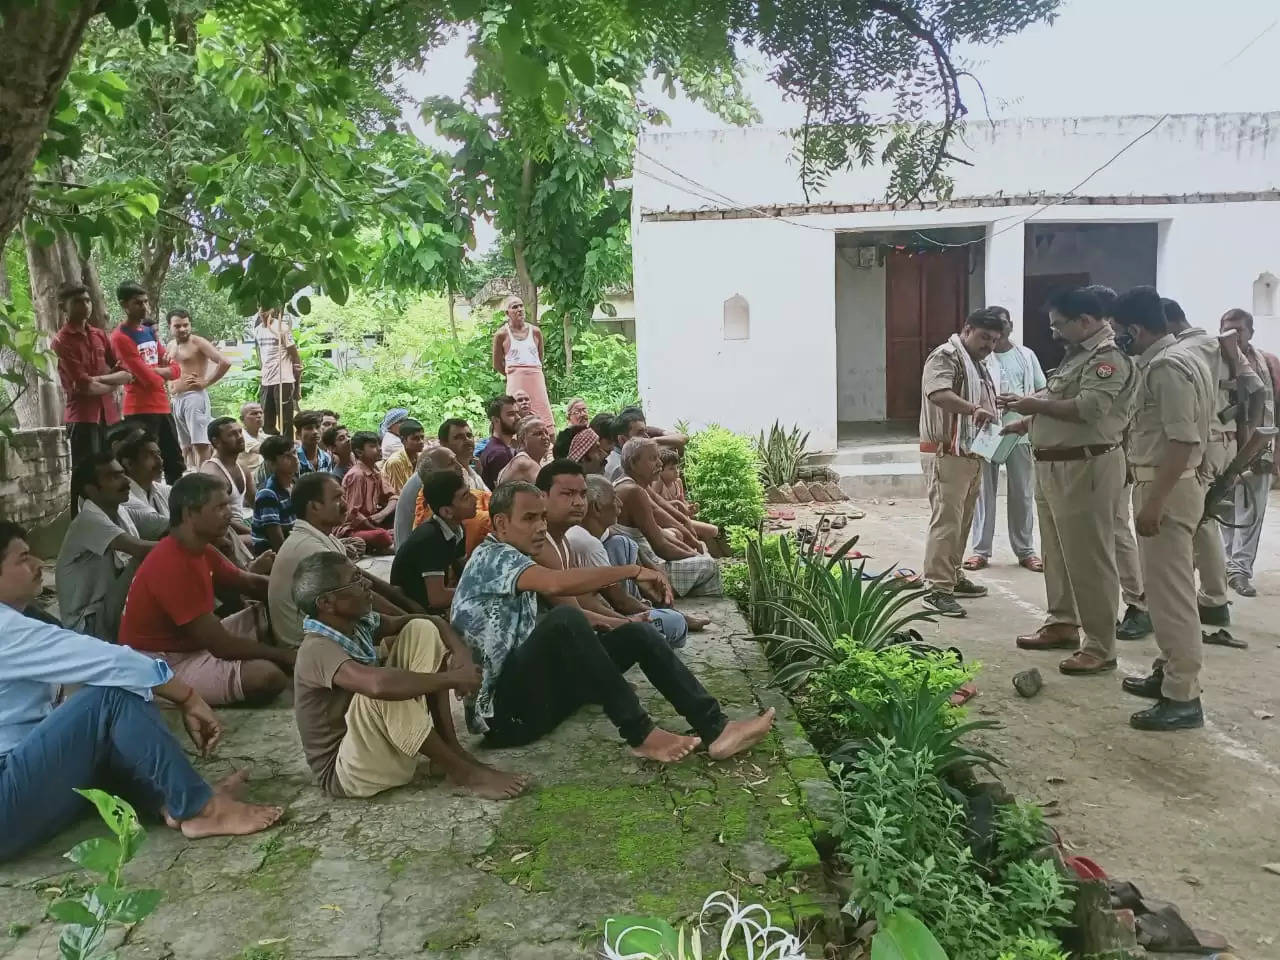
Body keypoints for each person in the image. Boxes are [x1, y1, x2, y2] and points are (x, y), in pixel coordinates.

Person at [0, 522, 283, 862]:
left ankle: (176, 801)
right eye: (23, 558)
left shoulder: (24, 618)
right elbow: (110, 661)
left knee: (99, 715)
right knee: (111, 697)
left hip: (18, 786)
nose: (37, 566)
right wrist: (186, 695)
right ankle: (201, 809)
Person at [451, 482, 775, 761]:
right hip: (506, 718)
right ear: (501, 523)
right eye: (529, 518)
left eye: (543, 518)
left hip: (537, 702)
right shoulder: (492, 558)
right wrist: (632, 570)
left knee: (637, 633)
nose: (540, 527)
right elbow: (556, 585)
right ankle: (641, 734)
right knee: (565, 619)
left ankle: (715, 728)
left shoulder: (517, 559)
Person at [292, 552, 529, 799]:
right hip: (350, 773)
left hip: (380, 747)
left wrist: (461, 656)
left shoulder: (358, 624)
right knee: (381, 688)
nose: (368, 584)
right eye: (356, 580)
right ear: (326, 602)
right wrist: (453, 679)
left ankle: (450, 749)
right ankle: (463, 774)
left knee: (420, 630)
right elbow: (377, 685)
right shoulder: (316, 648)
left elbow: (428, 620)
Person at [999, 289, 1138, 675]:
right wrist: (1027, 420)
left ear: (1087, 320)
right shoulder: (1077, 355)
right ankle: (1062, 622)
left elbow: (1091, 409)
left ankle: (1100, 645)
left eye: (1060, 323)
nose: (1055, 331)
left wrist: (1035, 407)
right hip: (1053, 466)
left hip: (1086, 467)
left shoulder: (1107, 359)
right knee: (1058, 554)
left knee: (1090, 558)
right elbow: (1061, 396)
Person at [1112, 287, 1213, 731]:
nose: (1119, 340)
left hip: (1166, 489)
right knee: (1166, 589)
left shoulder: (1167, 368)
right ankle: (1169, 672)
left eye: (1121, 333)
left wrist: (1152, 504)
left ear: (1135, 329)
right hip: (1170, 485)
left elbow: (1183, 441)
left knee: (1170, 598)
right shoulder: (1183, 357)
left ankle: (1182, 695)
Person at [118, 473, 296, 706]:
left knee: (265, 612)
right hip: (162, 664)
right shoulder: (172, 564)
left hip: (194, 644)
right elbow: (220, 645)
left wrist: (300, 594)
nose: (229, 513)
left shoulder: (200, 549)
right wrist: (284, 655)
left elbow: (250, 583)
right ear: (190, 513)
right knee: (267, 676)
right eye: (220, 507)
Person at [1163, 297, 1263, 633]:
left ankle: (1213, 599)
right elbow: (1255, 389)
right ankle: (1213, 598)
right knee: (1205, 519)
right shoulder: (1220, 344)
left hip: (1202, 443)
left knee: (1198, 521)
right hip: (1226, 439)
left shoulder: (1187, 350)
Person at [269, 473, 422, 648]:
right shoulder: (309, 548)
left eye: (343, 496)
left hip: (333, 633)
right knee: (417, 639)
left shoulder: (325, 538)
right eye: (336, 498)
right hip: (309, 647)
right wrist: (408, 616)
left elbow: (360, 577)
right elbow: (357, 593)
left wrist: (402, 599)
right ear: (314, 507)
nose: (344, 503)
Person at [917, 308, 1002, 617]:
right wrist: (973, 410)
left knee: (963, 521)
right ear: (967, 329)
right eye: (984, 337)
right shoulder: (946, 355)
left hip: (971, 453)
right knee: (947, 521)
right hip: (946, 453)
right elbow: (937, 393)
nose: (989, 345)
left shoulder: (979, 365)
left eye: (994, 340)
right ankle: (936, 588)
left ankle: (952, 575)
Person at [564, 468, 706, 647]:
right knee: (676, 623)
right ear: (597, 507)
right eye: (614, 498)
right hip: (600, 620)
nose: (619, 504)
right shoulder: (587, 543)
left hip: (606, 611)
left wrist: (651, 572)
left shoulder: (598, 532)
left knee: (622, 542)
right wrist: (633, 624)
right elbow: (619, 601)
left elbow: (637, 548)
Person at [1090, 284, 1153, 642]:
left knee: (1116, 529)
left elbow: (1126, 412)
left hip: (1119, 452)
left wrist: (1126, 455)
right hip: (1115, 452)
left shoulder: (1115, 352)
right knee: (1110, 529)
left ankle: (1138, 602)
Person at [965, 308, 1046, 572]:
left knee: (1022, 493)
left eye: (1003, 326)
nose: (997, 335)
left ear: (1009, 326)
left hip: (1020, 433)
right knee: (983, 493)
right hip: (987, 432)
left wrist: (1023, 402)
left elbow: (1044, 388)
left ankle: (1025, 550)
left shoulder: (1026, 355)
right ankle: (980, 550)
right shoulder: (979, 356)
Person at [56, 453, 156, 641]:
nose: (126, 481)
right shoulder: (88, 520)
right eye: (114, 477)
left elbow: (163, 524)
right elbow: (141, 549)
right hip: (89, 626)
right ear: (92, 490)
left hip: (110, 611)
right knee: (144, 557)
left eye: (123, 474)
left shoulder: (122, 511)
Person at [1218, 308, 1279, 597]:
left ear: (1251, 332)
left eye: (1238, 329)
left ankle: (1240, 570)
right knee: (1222, 508)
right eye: (1227, 328)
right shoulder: (1213, 361)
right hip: (1223, 448)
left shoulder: (1268, 362)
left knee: (1252, 512)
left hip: (1259, 448)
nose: (1232, 334)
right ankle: (1227, 565)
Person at [614, 438, 722, 597]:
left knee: (680, 539)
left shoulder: (635, 485)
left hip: (644, 563)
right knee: (709, 566)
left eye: (658, 457)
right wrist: (696, 555)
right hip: (646, 571)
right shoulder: (633, 491)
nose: (659, 463)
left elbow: (661, 512)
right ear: (633, 463)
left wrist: (689, 537)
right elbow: (661, 547)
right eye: (652, 458)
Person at [50, 281, 130, 472]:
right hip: (83, 418)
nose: (85, 305)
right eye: (78, 301)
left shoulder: (99, 335)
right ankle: (79, 504)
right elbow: (85, 387)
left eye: (87, 300)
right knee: (86, 475)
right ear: (63, 307)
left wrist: (100, 380)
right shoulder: (62, 341)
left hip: (109, 415)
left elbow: (126, 373)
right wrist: (112, 383)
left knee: (112, 471)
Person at [110, 281, 184, 483]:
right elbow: (146, 378)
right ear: (125, 305)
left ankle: (176, 507)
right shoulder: (120, 337)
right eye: (137, 303)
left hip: (162, 405)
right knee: (146, 464)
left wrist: (157, 371)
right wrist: (162, 372)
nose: (144, 307)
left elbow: (176, 370)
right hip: (140, 409)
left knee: (174, 461)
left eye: (145, 302)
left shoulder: (148, 332)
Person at [392, 470, 475, 614]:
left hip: (430, 599)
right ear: (447, 512)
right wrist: (477, 591)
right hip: (410, 607)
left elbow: (462, 566)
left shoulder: (457, 527)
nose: (474, 499)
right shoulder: (431, 539)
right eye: (465, 497)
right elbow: (437, 598)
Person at [165, 309, 230, 469]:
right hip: (176, 399)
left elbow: (224, 362)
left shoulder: (197, 342)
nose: (182, 329)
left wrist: (206, 381)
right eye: (178, 326)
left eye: (186, 325)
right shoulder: (170, 345)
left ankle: (204, 479)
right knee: (185, 446)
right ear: (170, 327)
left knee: (200, 444)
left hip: (194, 398)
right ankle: (191, 477)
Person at [409, 446, 494, 558]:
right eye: (451, 464)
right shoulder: (436, 512)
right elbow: (486, 522)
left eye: (456, 460)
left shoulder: (459, 493)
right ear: (433, 474)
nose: (459, 467)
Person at [492, 296, 554, 427]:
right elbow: (497, 363)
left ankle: (547, 441)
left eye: (521, 306)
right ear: (507, 313)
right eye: (514, 307)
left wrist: (531, 372)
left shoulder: (536, 332)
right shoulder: (501, 334)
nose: (519, 309)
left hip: (536, 377)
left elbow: (539, 357)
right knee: (515, 412)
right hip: (515, 379)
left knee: (542, 412)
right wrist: (513, 374)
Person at [254, 307, 301, 440]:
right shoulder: (257, 330)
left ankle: (287, 448)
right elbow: (261, 355)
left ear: (273, 310)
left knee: (285, 420)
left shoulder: (282, 327)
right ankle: (273, 448)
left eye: (267, 309)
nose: (264, 312)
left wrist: (297, 383)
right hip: (266, 381)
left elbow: (295, 356)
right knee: (266, 421)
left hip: (283, 380)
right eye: (261, 309)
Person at [202, 416, 256, 527]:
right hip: (223, 531)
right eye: (232, 434)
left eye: (240, 432)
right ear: (216, 442)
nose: (240, 437)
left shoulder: (242, 468)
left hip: (242, 525)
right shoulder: (213, 473)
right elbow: (217, 516)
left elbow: (256, 502)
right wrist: (252, 533)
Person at [343, 431, 399, 531]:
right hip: (355, 528)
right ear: (359, 452)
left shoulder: (375, 470)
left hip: (372, 519)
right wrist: (377, 530)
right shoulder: (357, 475)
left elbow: (394, 497)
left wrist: (382, 514)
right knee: (383, 536)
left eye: (379, 445)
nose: (380, 449)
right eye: (373, 446)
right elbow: (353, 514)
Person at [253, 435, 298, 554]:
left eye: (294, 453)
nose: (295, 459)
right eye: (287, 456)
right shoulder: (268, 494)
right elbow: (277, 543)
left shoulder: (295, 484)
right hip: (273, 556)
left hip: (294, 545)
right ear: (272, 463)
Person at [478, 394, 520, 490]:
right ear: (495, 420)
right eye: (511, 414)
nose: (518, 417)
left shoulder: (500, 447)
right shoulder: (499, 453)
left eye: (517, 413)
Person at [495, 416, 550, 486]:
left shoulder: (524, 460)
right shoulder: (524, 463)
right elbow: (550, 493)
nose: (545, 437)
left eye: (546, 433)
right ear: (522, 440)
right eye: (538, 433)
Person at [439, 417, 490, 494]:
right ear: (444, 444)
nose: (467, 440)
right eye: (458, 437)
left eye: (469, 435)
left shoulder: (472, 472)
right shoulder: (444, 478)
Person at [381, 418, 426, 493]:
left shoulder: (421, 457)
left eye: (422, 437)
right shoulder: (395, 462)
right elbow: (398, 494)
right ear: (403, 440)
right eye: (415, 438)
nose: (421, 442)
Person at [605, 409, 649, 481]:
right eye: (640, 433)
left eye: (646, 432)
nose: (647, 437)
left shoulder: (627, 460)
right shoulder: (619, 468)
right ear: (622, 439)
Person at [293, 410, 334, 475]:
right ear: (298, 434)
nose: (315, 432)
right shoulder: (294, 459)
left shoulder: (326, 458)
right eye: (309, 428)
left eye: (317, 427)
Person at [239, 401, 266, 476]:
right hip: (248, 478)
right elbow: (265, 449)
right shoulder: (241, 435)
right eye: (254, 413)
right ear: (242, 419)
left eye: (261, 412)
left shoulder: (261, 435)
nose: (259, 416)